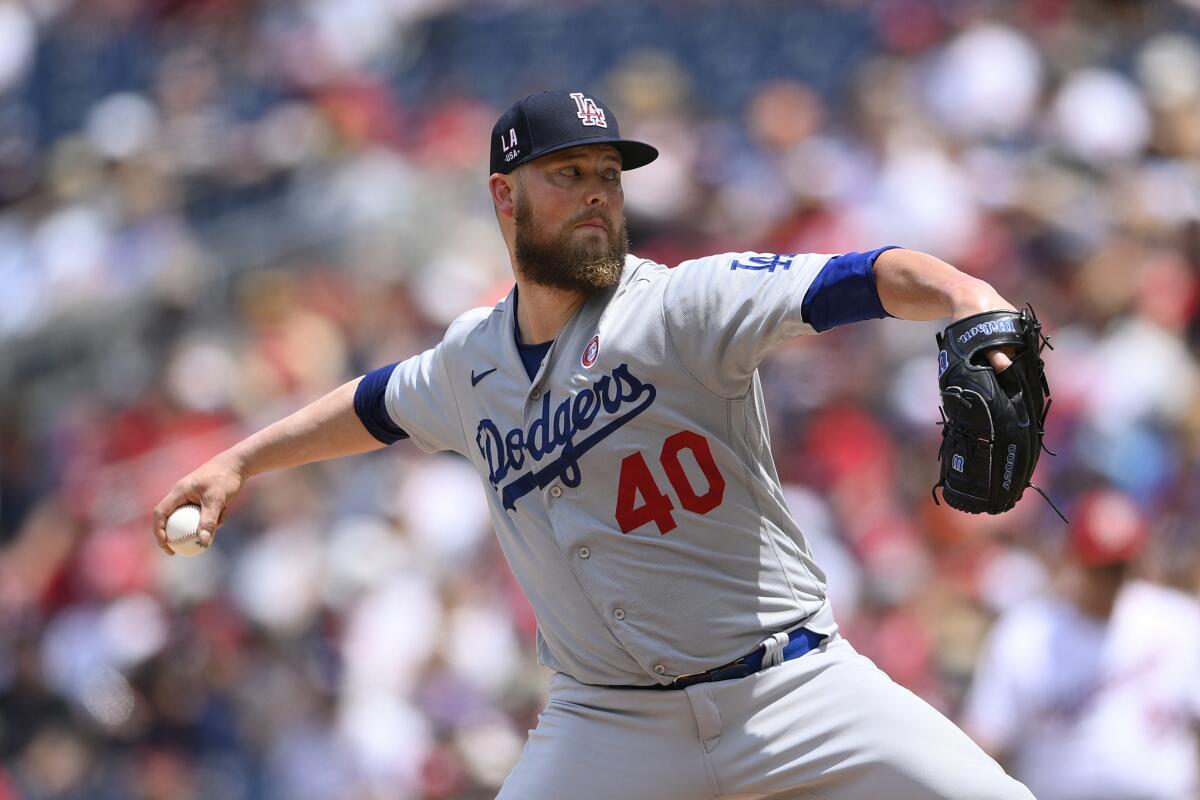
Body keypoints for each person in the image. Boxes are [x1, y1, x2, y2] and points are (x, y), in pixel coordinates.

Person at [154, 89, 1034, 799]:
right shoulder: (470, 361)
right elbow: (376, 403)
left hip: (792, 687)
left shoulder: (684, 304)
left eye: (609, 176)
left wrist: (961, 294)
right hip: (609, 726)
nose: (596, 196)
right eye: (567, 173)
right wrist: (241, 461)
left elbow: (857, 277)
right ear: (505, 197)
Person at [963, 489, 1200, 800]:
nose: (1112, 580)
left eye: (1120, 567)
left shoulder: (1178, 620)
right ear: (1074, 561)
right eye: (1102, 568)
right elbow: (986, 741)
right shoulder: (1025, 634)